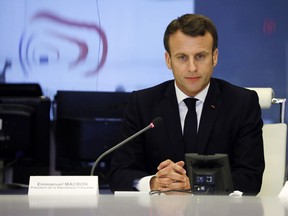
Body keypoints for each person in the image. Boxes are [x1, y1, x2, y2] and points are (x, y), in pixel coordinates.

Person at [109, 14, 265, 195]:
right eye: (182, 57)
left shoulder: (242, 103)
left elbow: (251, 178)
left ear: (215, 57)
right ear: (168, 60)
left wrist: (191, 184)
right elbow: (119, 174)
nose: (192, 67)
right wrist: (155, 182)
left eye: (200, 56)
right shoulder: (142, 103)